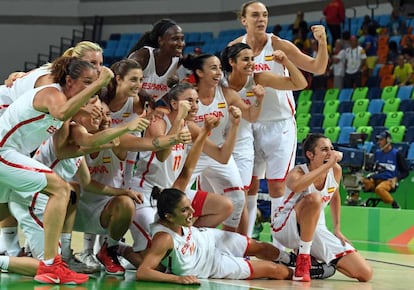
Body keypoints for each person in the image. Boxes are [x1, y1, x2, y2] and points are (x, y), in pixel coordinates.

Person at [136, 115, 293, 284]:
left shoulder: (172, 199)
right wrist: (177, 279)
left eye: (189, 207)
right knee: (274, 270)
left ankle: (294, 260)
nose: (192, 212)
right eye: (185, 210)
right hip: (212, 265)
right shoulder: (164, 238)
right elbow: (143, 272)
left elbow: (188, 168)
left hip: (207, 238)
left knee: (259, 246)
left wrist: (204, 132)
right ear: (168, 217)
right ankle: (299, 272)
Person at [0, 56, 113, 284]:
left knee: (4, 212)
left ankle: (51, 264)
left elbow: (64, 145)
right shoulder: (53, 93)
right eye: (86, 82)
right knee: (61, 189)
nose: (91, 88)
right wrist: (100, 83)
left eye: (93, 83)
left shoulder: (67, 105)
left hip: (13, 154)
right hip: (3, 150)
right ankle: (53, 264)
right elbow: (61, 113)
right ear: (69, 80)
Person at [229, 1, 328, 246]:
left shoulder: (278, 45)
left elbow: (318, 67)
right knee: (249, 186)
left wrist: (322, 42)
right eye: (255, 15)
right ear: (244, 20)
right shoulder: (234, 48)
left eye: (264, 15)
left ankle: (278, 246)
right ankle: (245, 242)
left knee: (277, 188)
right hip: (249, 124)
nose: (261, 19)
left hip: (279, 125)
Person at [220, 43, 307, 237]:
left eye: (253, 59)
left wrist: (286, 61)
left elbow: (300, 84)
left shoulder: (258, 78)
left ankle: (270, 242)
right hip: (223, 140)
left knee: (256, 189)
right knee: (242, 190)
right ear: (231, 62)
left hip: (248, 135)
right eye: (246, 59)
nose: (252, 63)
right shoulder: (220, 82)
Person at [181, 52, 266, 234]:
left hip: (218, 153)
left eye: (220, 67)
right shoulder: (188, 94)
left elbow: (251, 116)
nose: (219, 72)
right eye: (213, 68)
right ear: (200, 72)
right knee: (178, 197)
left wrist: (259, 100)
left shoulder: (227, 94)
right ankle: (181, 239)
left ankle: (224, 242)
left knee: (237, 198)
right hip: (191, 153)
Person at [272, 133, 373, 282]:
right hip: (285, 226)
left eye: (331, 149)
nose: (330, 153)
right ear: (310, 154)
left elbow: (335, 195)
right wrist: (327, 165)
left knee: (364, 273)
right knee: (314, 199)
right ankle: (303, 260)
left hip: (315, 229)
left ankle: (302, 264)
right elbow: (297, 186)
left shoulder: (335, 170)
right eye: (325, 149)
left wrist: (337, 228)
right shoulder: (297, 173)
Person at [128, 18, 184, 104]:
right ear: (160, 40)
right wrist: (147, 98)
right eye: (175, 39)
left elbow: (161, 91)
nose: (181, 44)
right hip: (118, 110)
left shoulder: (176, 62)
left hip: (141, 113)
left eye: (182, 39)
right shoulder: (143, 56)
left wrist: (175, 107)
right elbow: (125, 82)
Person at [362, 130, 409, 209]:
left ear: (388, 140)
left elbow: (405, 172)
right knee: (359, 181)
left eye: (381, 140)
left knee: (380, 189)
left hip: (389, 180)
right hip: (376, 179)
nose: (379, 142)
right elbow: (372, 167)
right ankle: (353, 202)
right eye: (378, 140)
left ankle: (394, 204)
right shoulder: (377, 153)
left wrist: (396, 179)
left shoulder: (396, 154)